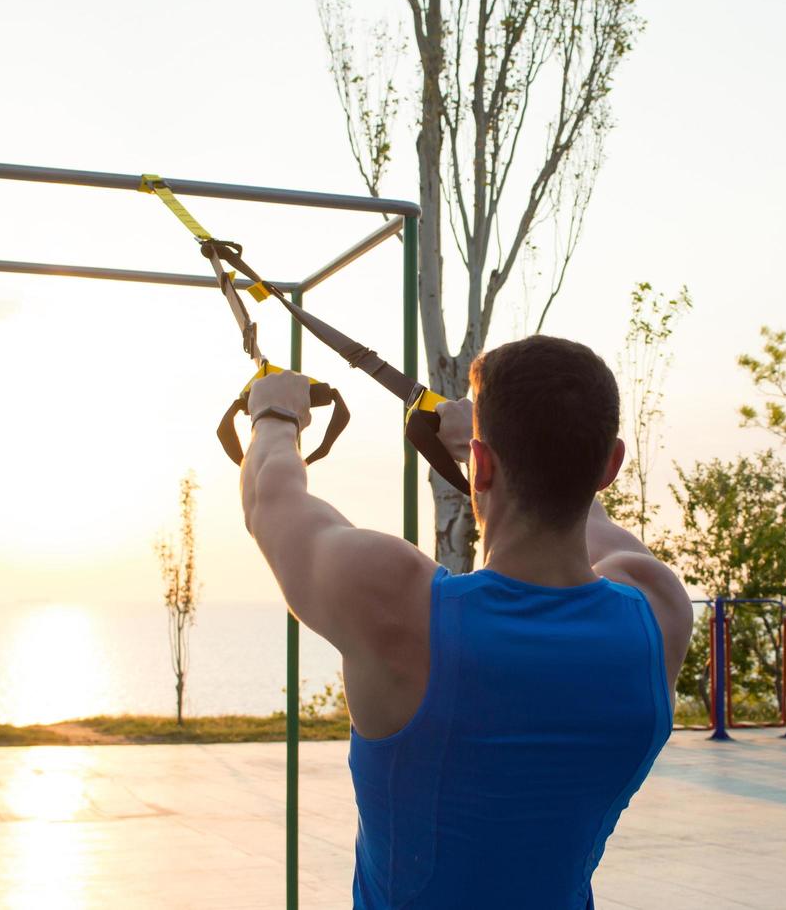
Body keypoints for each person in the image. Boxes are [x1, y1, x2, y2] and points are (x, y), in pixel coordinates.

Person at [240, 334, 692, 909]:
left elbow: (269, 500)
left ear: (480, 465)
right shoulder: (658, 610)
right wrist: (489, 445)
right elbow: (581, 511)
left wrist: (276, 411)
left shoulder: (397, 606)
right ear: (611, 464)